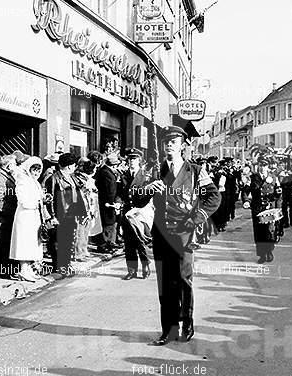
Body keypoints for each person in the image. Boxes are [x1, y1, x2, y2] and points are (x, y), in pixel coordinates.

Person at [141, 126, 220, 346]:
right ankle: (168, 329)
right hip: (162, 233)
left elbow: (213, 197)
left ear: (183, 145)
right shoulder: (154, 170)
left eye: (174, 141)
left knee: (184, 280)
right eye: (166, 141)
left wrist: (197, 218)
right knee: (166, 282)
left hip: (185, 233)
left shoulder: (195, 170)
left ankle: (188, 323)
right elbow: (134, 195)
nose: (169, 145)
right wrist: (147, 189)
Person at [43, 153, 87, 276]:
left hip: (71, 213)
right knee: (58, 240)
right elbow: (50, 198)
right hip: (60, 214)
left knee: (68, 240)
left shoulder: (72, 177)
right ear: (69, 166)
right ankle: (59, 266)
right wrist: (52, 216)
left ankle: (66, 264)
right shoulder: (54, 178)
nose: (74, 167)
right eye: (73, 165)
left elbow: (77, 195)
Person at [10, 156, 46, 282]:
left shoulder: (35, 182)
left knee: (33, 242)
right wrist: (35, 203)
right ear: (28, 169)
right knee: (24, 242)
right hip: (25, 215)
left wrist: (43, 199)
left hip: (34, 215)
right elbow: (23, 200)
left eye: (38, 170)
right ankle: (23, 269)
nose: (36, 173)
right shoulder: (22, 180)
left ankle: (29, 269)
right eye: (34, 170)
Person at [119, 148, 151, 280]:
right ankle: (131, 271)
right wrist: (117, 202)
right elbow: (119, 193)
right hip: (127, 212)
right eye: (130, 159)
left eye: (135, 159)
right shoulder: (123, 175)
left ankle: (145, 266)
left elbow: (150, 193)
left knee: (140, 241)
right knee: (128, 243)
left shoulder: (145, 176)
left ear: (140, 161)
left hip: (140, 211)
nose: (132, 161)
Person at [243, 156, 282, 264]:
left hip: (269, 208)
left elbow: (278, 193)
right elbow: (245, 191)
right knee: (259, 232)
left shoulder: (273, 178)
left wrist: (277, 205)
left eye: (264, 166)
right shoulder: (252, 178)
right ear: (258, 166)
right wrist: (246, 201)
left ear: (268, 167)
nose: (262, 168)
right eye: (260, 165)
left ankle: (269, 251)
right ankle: (262, 254)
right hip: (257, 208)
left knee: (269, 231)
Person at [94, 152, 121, 253]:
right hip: (108, 203)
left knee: (109, 223)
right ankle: (106, 244)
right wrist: (113, 203)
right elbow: (110, 191)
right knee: (108, 224)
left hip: (105, 202)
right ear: (114, 165)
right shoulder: (107, 173)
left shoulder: (104, 171)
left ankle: (109, 244)